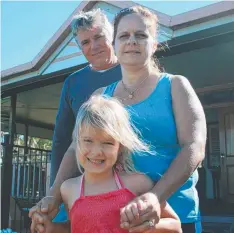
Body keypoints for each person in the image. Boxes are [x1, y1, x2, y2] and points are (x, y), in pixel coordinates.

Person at [30, 5, 207, 233]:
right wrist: (53, 197)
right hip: (114, 220)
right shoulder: (100, 96)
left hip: (173, 218)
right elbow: (76, 148)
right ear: (114, 44)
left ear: (154, 44)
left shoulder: (175, 85)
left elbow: (194, 146)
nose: (131, 41)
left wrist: (155, 197)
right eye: (124, 35)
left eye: (141, 35)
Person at [31, 95, 182, 233]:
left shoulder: (139, 183)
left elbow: (176, 225)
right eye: (88, 141)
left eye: (108, 143)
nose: (97, 152)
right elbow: (76, 227)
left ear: (120, 147)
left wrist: (147, 226)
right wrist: (52, 228)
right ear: (77, 143)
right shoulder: (68, 189)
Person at [44, 9, 121, 221]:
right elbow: (62, 138)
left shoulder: (130, 71)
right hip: (82, 183)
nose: (93, 46)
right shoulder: (73, 82)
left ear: (111, 35)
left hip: (124, 181)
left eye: (98, 37)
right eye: (85, 42)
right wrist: (55, 190)